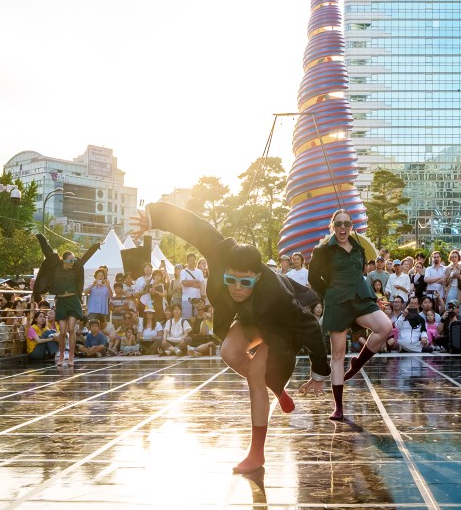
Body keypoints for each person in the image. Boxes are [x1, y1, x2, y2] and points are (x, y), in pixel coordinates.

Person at [131, 201, 330, 474]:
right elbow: (195, 226)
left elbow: (309, 326)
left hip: (280, 325)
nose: (237, 288)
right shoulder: (219, 251)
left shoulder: (277, 295)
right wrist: (155, 217)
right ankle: (277, 389)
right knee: (229, 352)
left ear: (257, 278)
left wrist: (320, 372)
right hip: (250, 318)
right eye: (231, 280)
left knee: (256, 378)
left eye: (245, 283)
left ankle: (256, 454)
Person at [308, 209, 393, 421]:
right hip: (337, 301)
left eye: (346, 223)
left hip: (360, 298)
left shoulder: (358, 247)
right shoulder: (323, 250)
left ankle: (357, 363)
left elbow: (361, 273)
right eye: (338, 224)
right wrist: (329, 292)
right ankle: (338, 407)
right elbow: (313, 278)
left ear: (351, 226)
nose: (343, 227)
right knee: (337, 356)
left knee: (385, 328)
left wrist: (368, 295)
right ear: (333, 226)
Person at [33, 234, 100, 367]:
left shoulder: (76, 267)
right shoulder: (56, 266)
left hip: (73, 300)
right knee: (62, 332)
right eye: (70, 261)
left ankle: (71, 357)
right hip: (62, 302)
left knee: (71, 329)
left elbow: (85, 257)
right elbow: (48, 251)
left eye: (73, 260)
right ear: (63, 261)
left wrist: (94, 247)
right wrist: (41, 238)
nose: (72, 263)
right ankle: (62, 355)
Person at [180, 253, 203, 319]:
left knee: (197, 319)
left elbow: (201, 284)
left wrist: (189, 283)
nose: (192, 262)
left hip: (198, 299)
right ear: (187, 261)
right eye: (190, 260)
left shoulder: (199, 271)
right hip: (186, 300)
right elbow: (184, 282)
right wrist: (195, 281)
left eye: (193, 260)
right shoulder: (183, 271)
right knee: (187, 320)